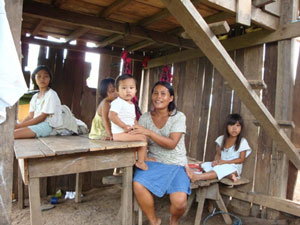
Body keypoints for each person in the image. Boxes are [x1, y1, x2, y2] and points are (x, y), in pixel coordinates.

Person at [129, 81, 190, 225]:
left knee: (180, 202)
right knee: (138, 184)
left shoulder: (179, 117)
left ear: (171, 98)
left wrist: (149, 132)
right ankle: (154, 220)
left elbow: (172, 144)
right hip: (154, 161)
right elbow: (138, 140)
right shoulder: (145, 118)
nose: (158, 97)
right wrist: (144, 157)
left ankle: (173, 221)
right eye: (155, 93)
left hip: (176, 164)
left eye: (163, 94)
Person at [185, 113, 251, 183]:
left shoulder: (242, 141)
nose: (234, 128)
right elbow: (218, 154)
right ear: (226, 127)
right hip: (221, 164)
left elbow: (241, 159)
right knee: (205, 165)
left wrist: (225, 162)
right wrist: (216, 162)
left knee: (219, 169)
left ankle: (197, 177)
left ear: (241, 128)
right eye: (231, 125)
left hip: (234, 168)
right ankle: (229, 175)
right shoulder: (222, 139)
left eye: (237, 126)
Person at [109, 74, 149, 170]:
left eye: (131, 88)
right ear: (117, 91)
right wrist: (123, 126)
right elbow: (112, 115)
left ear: (135, 90)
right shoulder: (118, 102)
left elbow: (133, 119)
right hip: (119, 133)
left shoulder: (131, 104)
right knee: (142, 138)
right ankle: (141, 162)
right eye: (124, 88)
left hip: (126, 131)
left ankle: (142, 158)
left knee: (144, 136)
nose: (128, 90)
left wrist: (137, 127)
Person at [14, 65, 63, 139]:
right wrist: (20, 124)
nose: (42, 79)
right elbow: (30, 116)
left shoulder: (51, 94)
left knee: (13, 134)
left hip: (47, 126)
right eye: (39, 76)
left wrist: (19, 126)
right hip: (36, 124)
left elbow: (42, 117)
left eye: (45, 76)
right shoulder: (34, 97)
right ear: (34, 79)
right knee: (10, 132)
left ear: (50, 79)